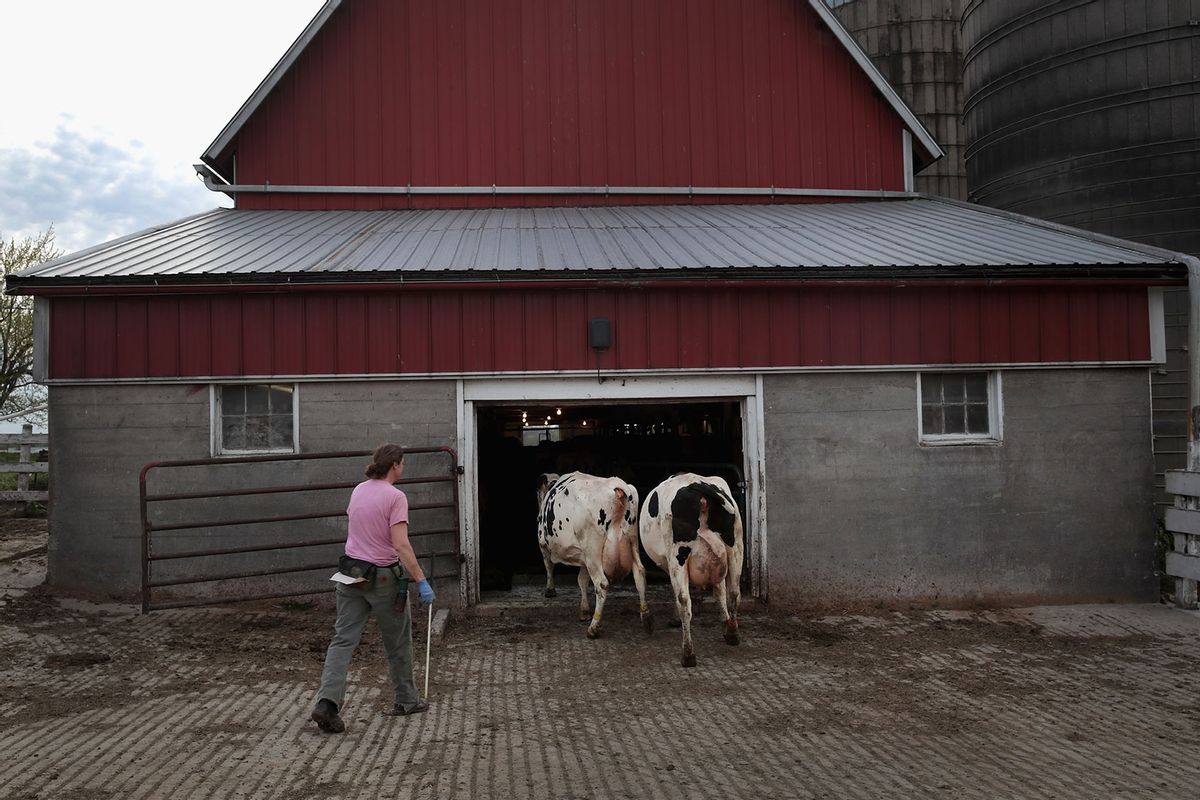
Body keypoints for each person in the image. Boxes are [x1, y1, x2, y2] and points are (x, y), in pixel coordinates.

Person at [311, 443, 437, 734]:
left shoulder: (358, 489)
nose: (403, 468)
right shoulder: (395, 497)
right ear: (395, 465)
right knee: (397, 642)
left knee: (342, 641)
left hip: (351, 574)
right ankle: (407, 700)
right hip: (383, 578)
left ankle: (327, 703)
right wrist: (421, 579)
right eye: (402, 464)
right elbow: (400, 545)